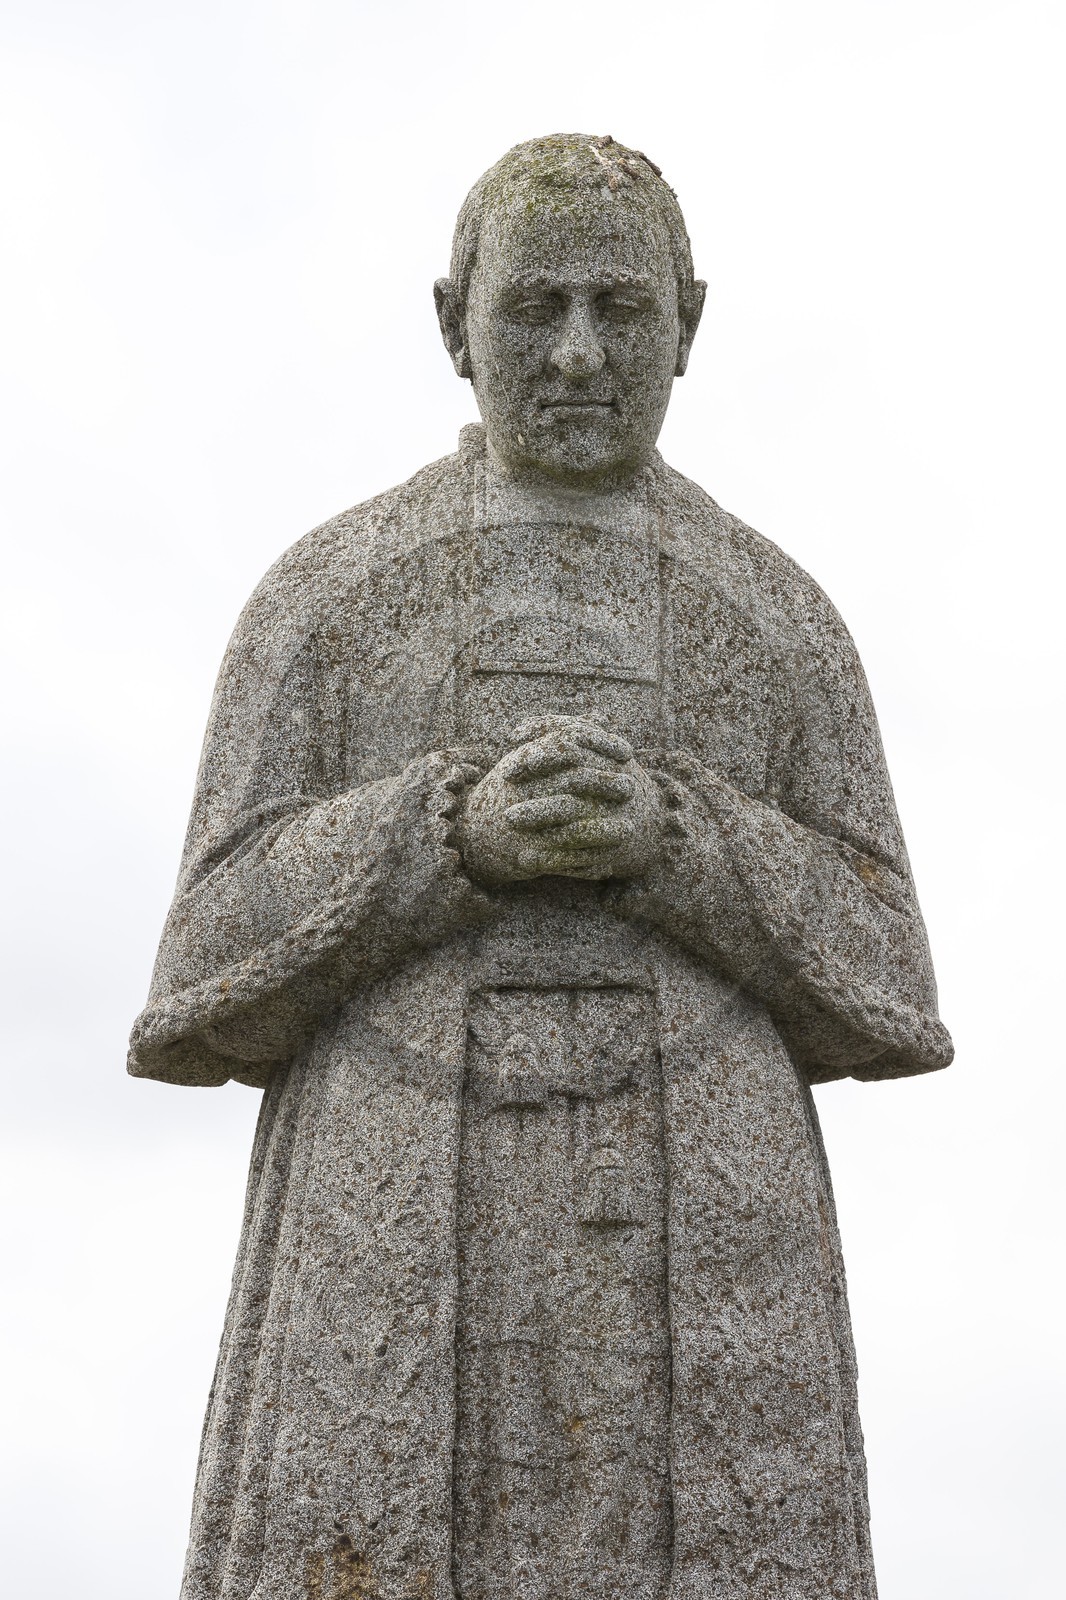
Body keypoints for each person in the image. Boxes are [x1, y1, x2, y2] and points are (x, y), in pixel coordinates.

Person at [130, 133, 952, 1600]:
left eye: (622, 312)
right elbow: (199, 975)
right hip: (379, 1233)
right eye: (531, 309)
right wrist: (443, 834)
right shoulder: (325, 600)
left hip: (708, 1251)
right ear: (453, 321)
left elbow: (888, 988)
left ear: (688, 324)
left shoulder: (777, 622)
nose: (576, 355)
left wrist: (682, 841)